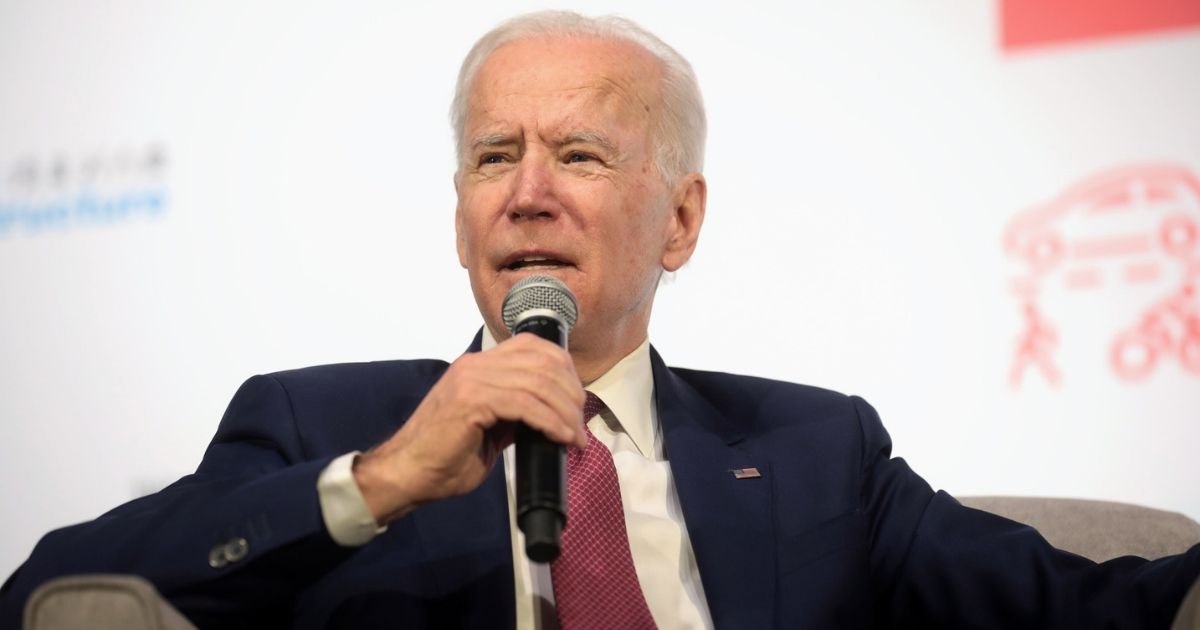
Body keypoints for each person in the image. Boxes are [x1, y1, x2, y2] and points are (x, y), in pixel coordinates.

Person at [2, 10, 1198, 630]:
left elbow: (1093, 610)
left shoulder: (816, 454)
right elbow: (58, 599)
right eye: (491, 156)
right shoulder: (321, 421)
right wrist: (374, 484)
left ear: (679, 222)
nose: (527, 190)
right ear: (461, 209)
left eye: (578, 152)